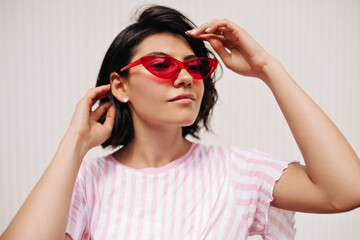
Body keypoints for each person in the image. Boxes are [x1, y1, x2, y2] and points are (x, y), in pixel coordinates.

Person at [1, 4, 360, 240]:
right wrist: (75, 143)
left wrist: (268, 68)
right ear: (119, 86)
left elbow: (345, 190)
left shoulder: (236, 171)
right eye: (162, 65)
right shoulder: (85, 182)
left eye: (196, 67)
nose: (186, 78)